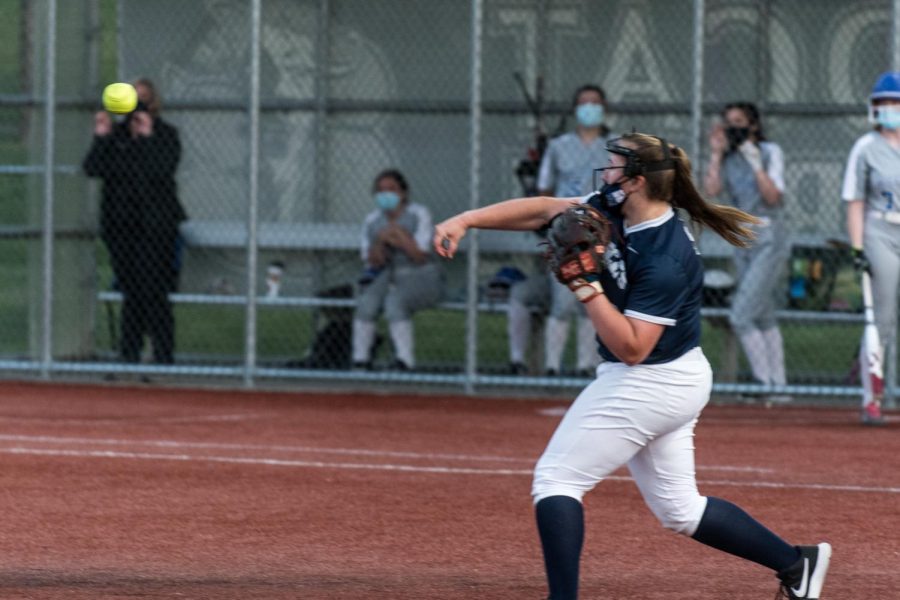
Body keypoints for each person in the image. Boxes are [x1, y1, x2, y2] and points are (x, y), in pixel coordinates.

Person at [433, 132, 831, 599]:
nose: (607, 172)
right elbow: (546, 210)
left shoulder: (665, 257)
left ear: (639, 182)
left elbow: (633, 348)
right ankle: (796, 563)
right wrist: (466, 220)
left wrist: (585, 287)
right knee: (680, 509)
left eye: (617, 166)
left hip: (652, 378)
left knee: (557, 480)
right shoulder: (615, 205)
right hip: (671, 374)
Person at [83, 78, 186, 365]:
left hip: (156, 226)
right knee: (131, 290)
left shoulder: (165, 135)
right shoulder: (116, 137)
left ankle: (164, 356)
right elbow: (92, 168)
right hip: (121, 224)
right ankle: (129, 354)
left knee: (154, 291)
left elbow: (161, 170)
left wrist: (148, 135)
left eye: (144, 100)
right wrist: (101, 136)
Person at [509, 84, 610, 376]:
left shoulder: (615, 146)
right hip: (566, 232)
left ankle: (584, 365)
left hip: (602, 233)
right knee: (564, 300)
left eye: (595, 103)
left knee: (591, 299)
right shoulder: (558, 146)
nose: (589, 108)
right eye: (583, 103)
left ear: (604, 109)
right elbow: (544, 189)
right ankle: (553, 366)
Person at [703, 102, 790, 401]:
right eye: (728, 122)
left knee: (741, 314)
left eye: (739, 122)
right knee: (762, 316)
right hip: (742, 238)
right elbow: (712, 191)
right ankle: (779, 388)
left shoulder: (770, 152)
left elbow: (774, 197)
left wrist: (756, 162)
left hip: (768, 235)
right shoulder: (728, 158)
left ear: (753, 125)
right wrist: (715, 153)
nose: (732, 127)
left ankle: (763, 383)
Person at [842, 70, 900, 425]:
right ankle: (871, 398)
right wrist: (858, 246)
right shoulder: (865, 147)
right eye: (882, 104)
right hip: (880, 229)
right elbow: (855, 200)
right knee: (882, 317)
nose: (888, 109)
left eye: (894, 103)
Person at [352, 169, 443, 371]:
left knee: (395, 302)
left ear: (403, 193)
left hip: (422, 274)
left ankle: (404, 361)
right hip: (388, 274)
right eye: (381, 190)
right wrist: (380, 241)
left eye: (392, 189)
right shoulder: (372, 220)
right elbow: (374, 262)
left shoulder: (419, 213)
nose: (386, 195)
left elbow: (419, 255)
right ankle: (360, 360)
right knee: (366, 304)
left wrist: (400, 236)